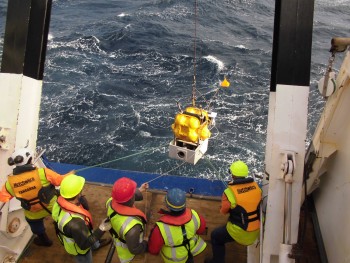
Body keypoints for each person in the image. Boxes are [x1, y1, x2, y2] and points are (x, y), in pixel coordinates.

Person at [0, 148, 70, 246]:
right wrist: (70, 174)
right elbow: (60, 181)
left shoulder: (9, 184)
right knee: (62, 217)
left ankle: (45, 241)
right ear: (29, 160)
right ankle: (64, 233)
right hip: (52, 206)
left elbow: (3, 198)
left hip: (33, 212)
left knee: (34, 223)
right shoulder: (43, 173)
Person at [205, 160, 262, 263]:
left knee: (216, 236)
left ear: (232, 175)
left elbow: (223, 211)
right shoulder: (257, 188)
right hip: (257, 231)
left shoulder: (229, 192)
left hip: (241, 233)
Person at [52, 174, 112, 263]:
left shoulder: (57, 205)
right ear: (78, 193)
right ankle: (95, 245)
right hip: (80, 251)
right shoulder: (75, 223)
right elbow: (84, 245)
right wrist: (101, 229)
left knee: (90, 239)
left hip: (78, 234)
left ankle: (96, 245)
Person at [148, 188, 207, 263]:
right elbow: (201, 230)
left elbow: (153, 250)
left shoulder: (160, 228)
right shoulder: (194, 215)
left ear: (167, 205)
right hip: (193, 251)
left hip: (176, 260)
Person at [106, 177, 148, 263]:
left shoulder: (109, 202)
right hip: (126, 255)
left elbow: (123, 198)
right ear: (132, 199)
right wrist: (145, 243)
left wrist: (140, 190)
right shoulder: (133, 227)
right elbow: (134, 249)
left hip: (118, 237)